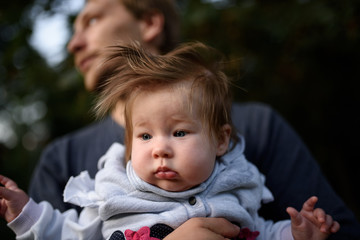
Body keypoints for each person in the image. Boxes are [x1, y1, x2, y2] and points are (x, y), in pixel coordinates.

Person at [27, 0, 360, 239]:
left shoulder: (259, 127)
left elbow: (335, 231)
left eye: (92, 20)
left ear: (149, 23)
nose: (73, 44)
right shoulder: (62, 160)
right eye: (143, 136)